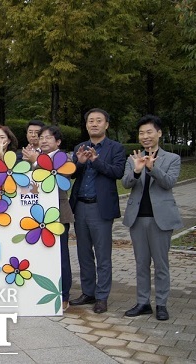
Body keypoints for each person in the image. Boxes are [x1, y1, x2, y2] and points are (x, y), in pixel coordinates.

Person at [122, 115, 182, 321]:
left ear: (159, 133)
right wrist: (137, 171)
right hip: (137, 218)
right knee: (141, 263)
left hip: (161, 220)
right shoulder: (133, 158)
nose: (145, 136)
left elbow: (168, 183)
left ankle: (162, 304)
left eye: (149, 132)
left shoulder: (172, 158)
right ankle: (143, 303)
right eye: (141, 133)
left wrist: (151, 168)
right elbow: (126, 184)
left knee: (161, 264)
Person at [69, 108, 126, 314]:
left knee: (103, 255)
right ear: (86, 125)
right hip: (80, 206)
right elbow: (72, 175)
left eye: (98, 121)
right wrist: (80, 163)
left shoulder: (116, 148)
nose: (94, 124)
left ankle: (102, 297)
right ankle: (88, 292)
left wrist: (96, 160)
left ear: (106, 125)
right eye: (90, 121)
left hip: (100, 208)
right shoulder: (79, 147)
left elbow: (117, 172)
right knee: (83, 253)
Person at [37, 126, 74, 310]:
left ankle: (64, 295)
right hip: (38, 216)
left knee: (61, 256)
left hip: (59, 213)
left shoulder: (64, 159)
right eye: (41, 137)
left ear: (58, 142)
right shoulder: (35, 158)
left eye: (48, 138)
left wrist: (36, 162)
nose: (43, 141)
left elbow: (59, 178)